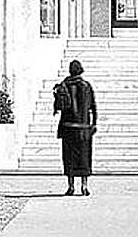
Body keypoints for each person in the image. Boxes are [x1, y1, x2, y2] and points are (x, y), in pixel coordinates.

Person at [53, 59, 96, 196]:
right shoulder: (86, 86)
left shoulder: (64, 85)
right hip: (83, 127)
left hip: (68, 127)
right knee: (84, 157)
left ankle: (71, 186)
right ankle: (84, 186)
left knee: (69, 157)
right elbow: (93, 106)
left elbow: (59, 105)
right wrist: (94, 123)